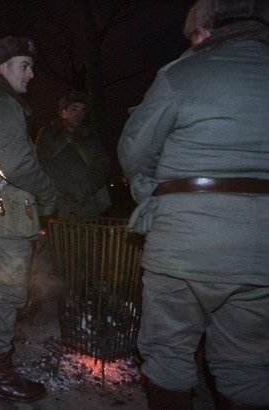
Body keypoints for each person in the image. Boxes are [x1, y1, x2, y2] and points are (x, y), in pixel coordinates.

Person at [117, 0, 269, 408]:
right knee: (249, 365)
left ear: (204, 31)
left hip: (183, 247)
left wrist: (153, 192)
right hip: (261, 256)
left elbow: (134, 150)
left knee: (167, 354)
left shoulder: (181, 75)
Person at [0, 36, 57, 402]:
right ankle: (1, 378)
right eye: (25, 65)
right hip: (10, 213)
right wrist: (49, 193)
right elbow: (17, 164)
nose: (32, 74)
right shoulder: (2, 103)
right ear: (2, 68)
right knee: (7, 294)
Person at [35, 90, 111, 221]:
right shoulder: (47, 134)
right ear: (62, 111)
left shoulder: (92, 137)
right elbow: (42, 162)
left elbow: (102, 166)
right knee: (58, 239)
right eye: (74, 109)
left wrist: (85, 188)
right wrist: (70, 188)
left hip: (88, 203)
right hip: (56, 203)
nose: (79, 114)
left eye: (82, 110)